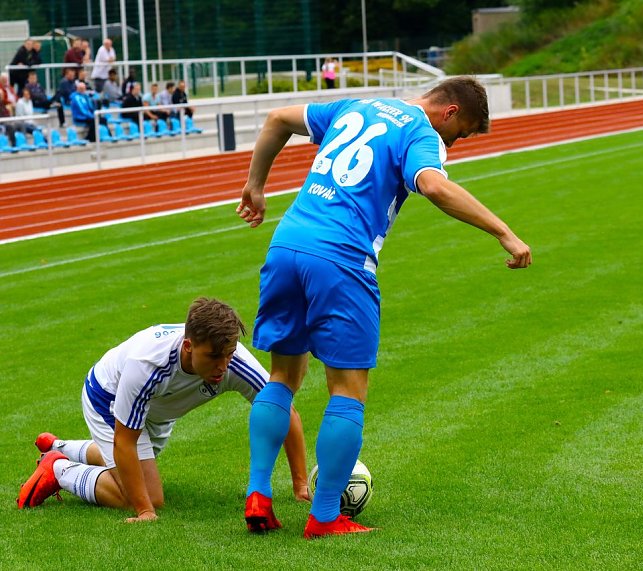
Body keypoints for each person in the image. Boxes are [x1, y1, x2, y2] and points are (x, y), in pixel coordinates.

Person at [235, 76, 532, 538]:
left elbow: (277, 118)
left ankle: (258, 496)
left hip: (286, 246)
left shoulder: (358, 104)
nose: (457, 142)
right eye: (463, 132)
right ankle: (326, 516)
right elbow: (432, 186)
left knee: (283, 377)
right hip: (342, 258)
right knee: (347, 390)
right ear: (450, 112)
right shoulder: (421, 132)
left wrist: (255, 185)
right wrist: (503, 231)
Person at [17, 297, 310, 523]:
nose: (223, 366)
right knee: (146, 496)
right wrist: (144, 510)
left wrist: (300, 486)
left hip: (155, 410)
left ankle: (61, 447)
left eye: (229, 354)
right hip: (107, 397)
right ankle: (58, 469)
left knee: (135, 470)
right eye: (213, 357)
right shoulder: (149, 363)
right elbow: (125, 440)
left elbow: (283, 411)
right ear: (187, 346)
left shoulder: (233, 362)